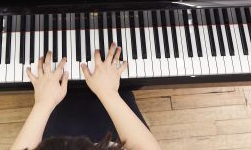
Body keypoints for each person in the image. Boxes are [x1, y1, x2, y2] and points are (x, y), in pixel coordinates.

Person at [10, 43, 162, 150]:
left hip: (55, 135)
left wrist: (43, 103)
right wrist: (109, 93)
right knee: (123, 92)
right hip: (111, 138)